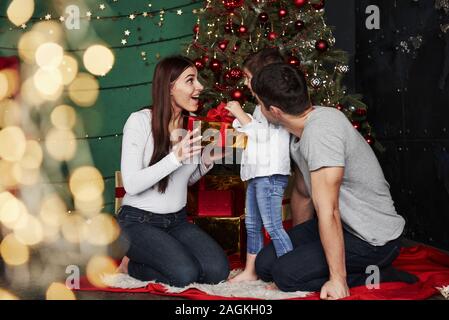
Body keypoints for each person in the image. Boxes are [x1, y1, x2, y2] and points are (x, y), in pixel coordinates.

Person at [250, 63, 417, 299]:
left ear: (275, 111)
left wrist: (336, 279)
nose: (258, 108)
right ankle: (305, 267)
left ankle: (380, 273)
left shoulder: (321, 133)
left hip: (372, 239)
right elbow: (303, 192)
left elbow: (329, 210)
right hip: (344, 227)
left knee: (285, 276)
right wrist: (299, 254)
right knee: (266, 264)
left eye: (259, 103)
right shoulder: (299, 131)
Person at [116, 56, 230, 287]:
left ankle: (157, 255)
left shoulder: (193, 125)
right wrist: (175, 157)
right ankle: (130, 264)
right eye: (190, 80)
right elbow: (132, 184)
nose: (200, 87)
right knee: (184, 274)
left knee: (218, 271)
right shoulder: (139, 122)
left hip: (177, 222)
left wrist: (207, 162)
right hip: (137, 223)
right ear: (169, 87)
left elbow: (184, 181)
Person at [225, 49, 293, 283]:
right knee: (252, 224)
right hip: (256, 174)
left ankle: (287, 273)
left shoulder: (275, 105)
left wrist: (238, 113)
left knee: (273, 226)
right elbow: (254, 133)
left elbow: (263, 136)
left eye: (247, 76)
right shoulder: (259, 106)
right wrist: (242, 118)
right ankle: (251, 271)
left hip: (270, 175)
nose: (244, 82)